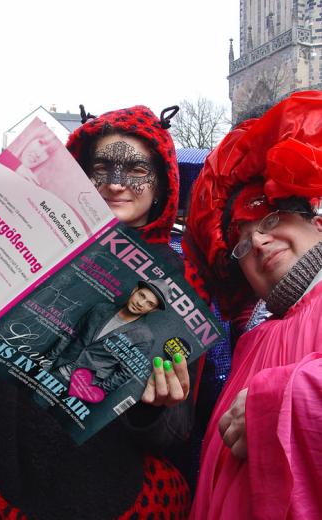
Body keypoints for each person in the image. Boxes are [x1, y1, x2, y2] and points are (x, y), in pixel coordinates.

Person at [0, 105, 193, 520]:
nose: (115, 184)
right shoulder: (33, 230)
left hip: (106, 490)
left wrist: (154, 407)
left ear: (162, 183)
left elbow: (176, 429)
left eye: (135, 170)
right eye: (102, 167)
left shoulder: (176, 280)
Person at [183, 90, 322, 519]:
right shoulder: (252, 340)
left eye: (269, 219)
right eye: (241, 242)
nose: (257, 241)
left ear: (314, 221)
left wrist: (279, 401)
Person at [49, 279, 170, 395]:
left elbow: (124, 373)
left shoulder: (144, 338)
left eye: (149, 304)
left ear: (153, 310)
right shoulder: (100, 308)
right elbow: (70, 334)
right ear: (135, 290)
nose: (140, 303)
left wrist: (94, 392)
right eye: (142, 295)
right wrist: (48, 361)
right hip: (58, 370)